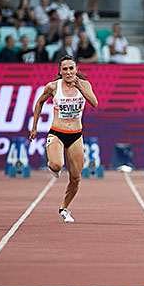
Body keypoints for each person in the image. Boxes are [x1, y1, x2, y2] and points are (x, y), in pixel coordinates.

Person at [29, 55, 98, 223]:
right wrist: (34, 126)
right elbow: (39, 103)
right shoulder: (53, 87)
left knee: (76, 178)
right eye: (65, 69)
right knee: (56, 165)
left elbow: (94, 103)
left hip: (76, 135)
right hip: (57, 133)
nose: (68, 72)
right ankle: (54, 165)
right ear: (59, 71)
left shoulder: (84, 84)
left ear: (76, 70)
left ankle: (64, 208)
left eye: (71, 68)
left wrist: (81, 87)